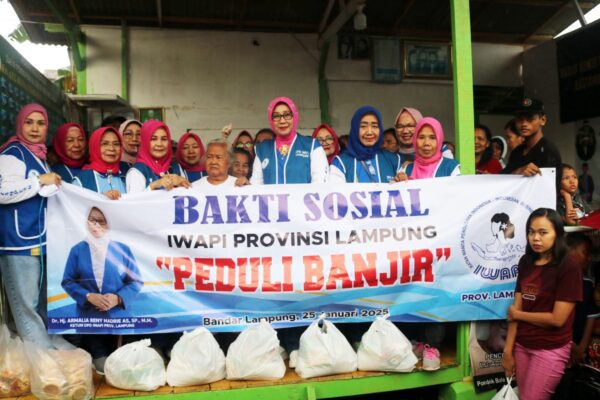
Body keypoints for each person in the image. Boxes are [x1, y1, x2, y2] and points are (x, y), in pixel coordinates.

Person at [0, 103, 70, 349]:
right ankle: (43, 359)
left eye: (40, 123)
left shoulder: (38, 155)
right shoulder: (13, 154)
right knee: (26, 307)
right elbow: (2, 192)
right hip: (17, 243)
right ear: (19, 124)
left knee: (42, 303)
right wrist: (38, 181)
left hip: (37, 239)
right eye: (29, 122)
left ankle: (51, 349)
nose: (34, 128)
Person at [503, 208, 582, 400]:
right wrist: (508, 350)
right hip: (522, 344)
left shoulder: (568, 267)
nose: (535, 238)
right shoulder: (526, 262)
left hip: (550, 348)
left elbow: (557, 319)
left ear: (558, 234)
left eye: (543, 232)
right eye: (531, 232)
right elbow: (517, 306)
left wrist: (519, 315)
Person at [61, 206, 143, 372]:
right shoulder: (77, 250)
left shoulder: (122, 249)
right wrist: (88, 296)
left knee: (124, 366)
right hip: (90, 320)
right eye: (92, 220)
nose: (96, 225)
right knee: (104, 367)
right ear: (85, 222)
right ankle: (97, 355)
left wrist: (118, 298)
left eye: (101, 221)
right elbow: (68, 281)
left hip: (119, 320)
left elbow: (136, 281)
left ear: (109, 223)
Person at [251, 96, 328, 184]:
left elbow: (320, 184)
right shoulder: (262, 149)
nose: (282, 121)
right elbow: (256, 185)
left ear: (294, 116)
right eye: (276, 116)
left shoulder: (312, 146)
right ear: (271, 120)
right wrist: (245, 185)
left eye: (287, 115)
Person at [329, 106, 401, 183]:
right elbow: (335, 189)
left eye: (374, 126)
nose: (369, 132)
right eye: (363, 126)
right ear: (355, 129)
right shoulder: (341, 162)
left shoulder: (394, 160)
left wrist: (401, 180)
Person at [502, 99, 562, 190]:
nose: (524, 123)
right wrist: (518, 172)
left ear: (543, 120)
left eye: (530, 118)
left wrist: (518, 175)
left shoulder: (547, 150)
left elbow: (545, 189)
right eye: (519, 119)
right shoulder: (517, 151)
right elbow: (503, 179)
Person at [125, 120, 190, 192]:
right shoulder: (137, 171)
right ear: (145, 141)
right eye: (153, 139)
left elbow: (189, 195)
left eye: (164, 139)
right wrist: (154, 185)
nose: (159, 144)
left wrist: (182, 182)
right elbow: (134, 199)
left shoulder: (175, 167)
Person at [74, 127, 127, 200]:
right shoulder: (82, 179)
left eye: (116, 144)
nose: (111, 148)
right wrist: (101, 198)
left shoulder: (126, 175)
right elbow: (74, 204)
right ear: (94, 146)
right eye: (105, 144)